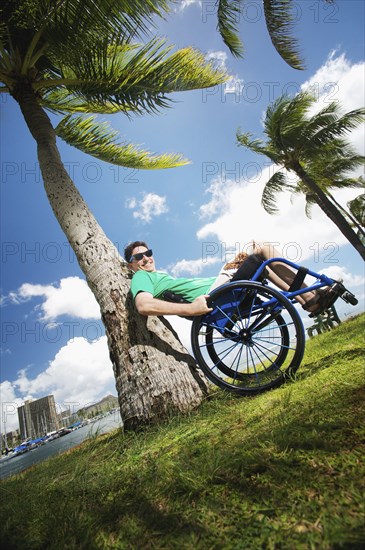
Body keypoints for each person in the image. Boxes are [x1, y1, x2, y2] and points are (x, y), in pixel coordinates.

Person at [124, 240, 334, 318]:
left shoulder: (159, 275)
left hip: (219, 288)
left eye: (148, 252)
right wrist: (190, 309)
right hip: (214, 296)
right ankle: (311, 296)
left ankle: (307, 300)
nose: (145, 258)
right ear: (131, 265)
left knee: (263, 268)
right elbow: (143, 305)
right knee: (263, 248)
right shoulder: (141, 276)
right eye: (138, 257)